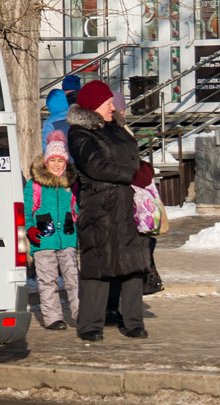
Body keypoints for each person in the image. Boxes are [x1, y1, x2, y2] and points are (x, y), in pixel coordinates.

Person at [67, 80, 150, 341]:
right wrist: (132, 175)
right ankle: (90, 325)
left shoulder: (117, 128)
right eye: (107, 103)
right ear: (94, 107)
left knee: (133, 263)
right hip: (101, 206)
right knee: (98, 264)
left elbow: (130, 156)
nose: (113, 107)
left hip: (128, 203)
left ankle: (135, 322)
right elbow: (94, 166)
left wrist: (144, 169)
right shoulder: (80, 133)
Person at [25, 133, 80, 330]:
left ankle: (80, 312)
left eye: (60, 161)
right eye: (52, 161)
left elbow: (77, 209)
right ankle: (53, 317)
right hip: (44, 237)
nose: (56, 165)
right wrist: (31, 228)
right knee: (47, 281)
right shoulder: (35, 185)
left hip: (67, 237)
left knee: (73, 278)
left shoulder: (71, 184)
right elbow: (27, 210)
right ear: (46, 163)